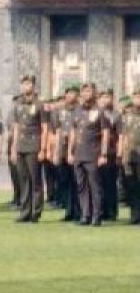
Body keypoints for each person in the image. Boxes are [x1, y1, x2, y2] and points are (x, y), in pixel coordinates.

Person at [68, 82, 109, 226]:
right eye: (84, 91)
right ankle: (85, 215)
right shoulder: (77, 111)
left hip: (93, 154)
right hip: (78, 154)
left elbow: (105, 133)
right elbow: (73, 132)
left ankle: (96, 216)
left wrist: (103, 154)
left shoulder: (100, 111)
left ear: (94, 93)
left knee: (94, 186)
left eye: (89, 91)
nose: (86, 94)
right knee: (81, 186)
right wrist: (70, 152)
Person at [10, 74, 47, 222]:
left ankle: (36, 212)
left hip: (34, 145)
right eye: (24, 84)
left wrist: (43, 149)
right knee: (23, 180)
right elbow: (16, 128)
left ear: (33, 85)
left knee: (35, 180)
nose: (26, 86)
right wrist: (13, 147)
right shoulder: (18, 104)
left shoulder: (39, 104)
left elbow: (44, 128)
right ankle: (25, 211)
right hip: (21, 146)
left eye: (28, 84)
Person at [51, 85, 81, 221]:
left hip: (78, 150)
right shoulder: (59, 111)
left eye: (74, 93)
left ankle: (80, 212)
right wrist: (56, 152)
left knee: (78, 182)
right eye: (69, 93)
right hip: (63, 149)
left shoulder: (81, 110)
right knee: (65, 182)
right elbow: (57, 132)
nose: (71, 96)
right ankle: (69, 211)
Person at [119, 92, 140, 224]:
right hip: (129, 155)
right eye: (136, 97)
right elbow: (123, 136)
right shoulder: (127, 115)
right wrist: (121, 154)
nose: (138, 100)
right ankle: (135, 215)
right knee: (132, 186)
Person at [99, 89, 120, 221]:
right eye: (103, 97)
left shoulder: (116, 115)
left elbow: (120, 136)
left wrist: (119, 153)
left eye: (108, 97)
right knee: (99, 183)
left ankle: (112, 211)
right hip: (98, 152)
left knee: (110, 183)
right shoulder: (97, 113)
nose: (105, 100)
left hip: (111, 152)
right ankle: (102, 210)